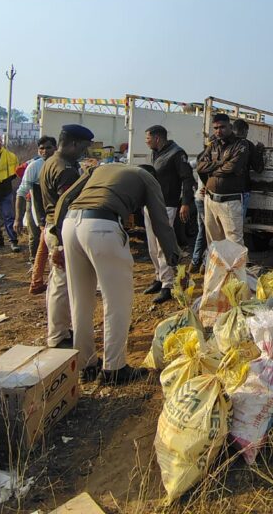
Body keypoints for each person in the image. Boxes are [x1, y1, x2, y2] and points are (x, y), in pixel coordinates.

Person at [58, 163, 182, 385]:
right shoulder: (147, 177)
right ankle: (114, 369)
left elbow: (66, 197)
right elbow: (160, 220)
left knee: (80, 301)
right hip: (102, 227)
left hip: (70, 225)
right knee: (117, 301)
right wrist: (173, 256)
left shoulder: (101, 169)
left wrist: (54, 234)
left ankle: (86, 365)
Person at [40, 124, 94, 348]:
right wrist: (61, 243)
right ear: (73, 144)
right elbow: (66, 205)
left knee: (57, 282)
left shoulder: (51, 162)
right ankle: (58, 336)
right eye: (83, 147)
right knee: (61, 284)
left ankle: (59, 329)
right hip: (60, 229)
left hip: (51, 225)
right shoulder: (65, 170)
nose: (84, 152)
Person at [140, 124, 195, 304]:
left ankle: (167, 284)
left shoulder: (177, 153)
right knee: (152, 246)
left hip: (167, 205)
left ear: (157, 138)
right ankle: (159, 277)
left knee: (163, 246)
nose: (146, 141)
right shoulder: (156, 152)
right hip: (151, 203)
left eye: (148, 138)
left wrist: (185, 203)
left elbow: (187, 179)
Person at [196, 113, 250, 245]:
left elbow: (231, 168)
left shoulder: (240, 144)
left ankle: (235, 262)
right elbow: (200, 166)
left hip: (230, 202)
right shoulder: (213, 144)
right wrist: (220, 163)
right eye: (215, 128)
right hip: (210, 200)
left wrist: (211, 170)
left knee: (234, 244)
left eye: (222, 127)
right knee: (214, 243)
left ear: (230, 127)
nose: (218, 131)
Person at [14, 136, 57, 294]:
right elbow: (21, 192)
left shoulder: (61, 164)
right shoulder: (35, 166)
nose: (45, 151)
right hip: (42, 213)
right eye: (41, 148)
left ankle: (37, 281)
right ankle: (38, 279)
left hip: (55, 212)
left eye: (48, 148)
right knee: (43, 243)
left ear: (55, 148)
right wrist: (18, 218)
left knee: (44, 245)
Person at [232, 119, 266, 218]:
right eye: (247, 131)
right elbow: (258, 169)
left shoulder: (223, 143)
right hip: (242, 190)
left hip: (223, 192)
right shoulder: (247, 145)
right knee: (238, 223)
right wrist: (259, 151)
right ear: (244, 131)